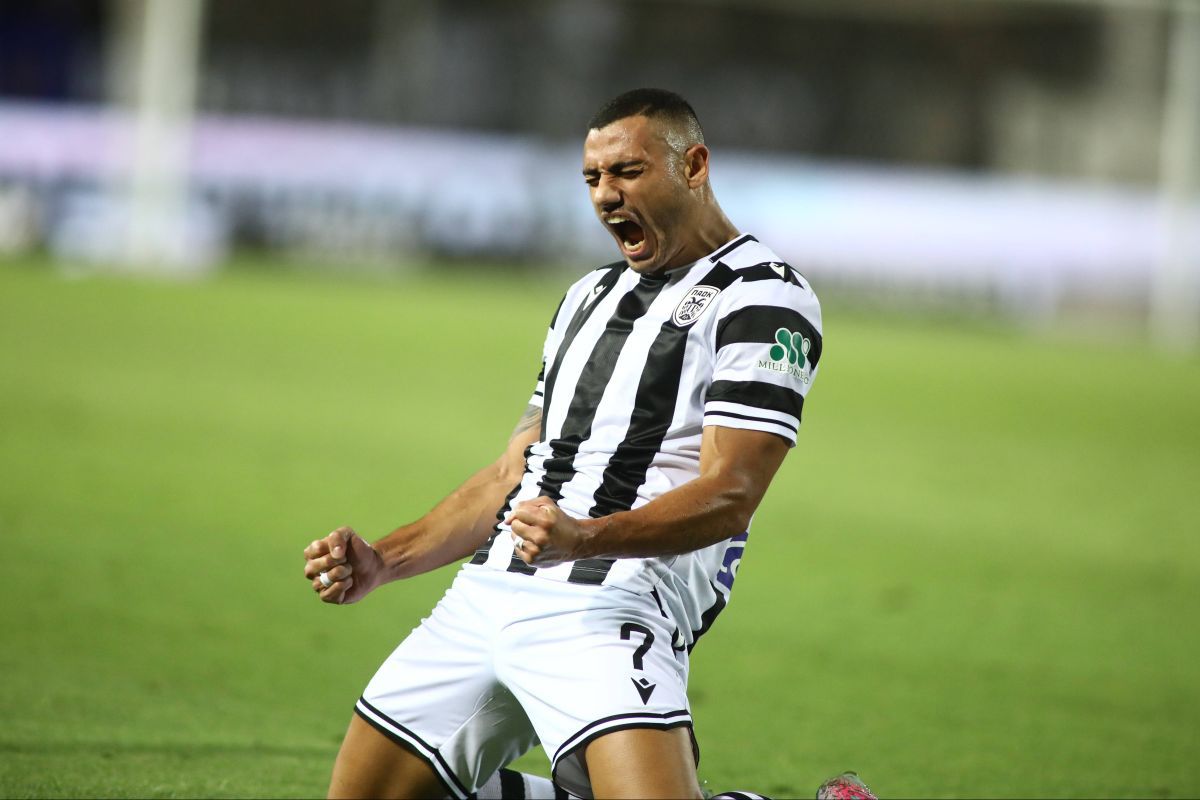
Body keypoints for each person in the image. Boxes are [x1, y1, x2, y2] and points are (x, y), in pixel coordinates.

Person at [302, 88, 872, 800]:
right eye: (593, 178)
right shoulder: (585, 297)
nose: (606, 195)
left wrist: (585, 537)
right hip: (487, 593)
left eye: (628, 171)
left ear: (694, 166)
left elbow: (731, 493)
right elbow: (511, 475)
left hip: (616, 601)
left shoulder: (763, 296)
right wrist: (384, 561)